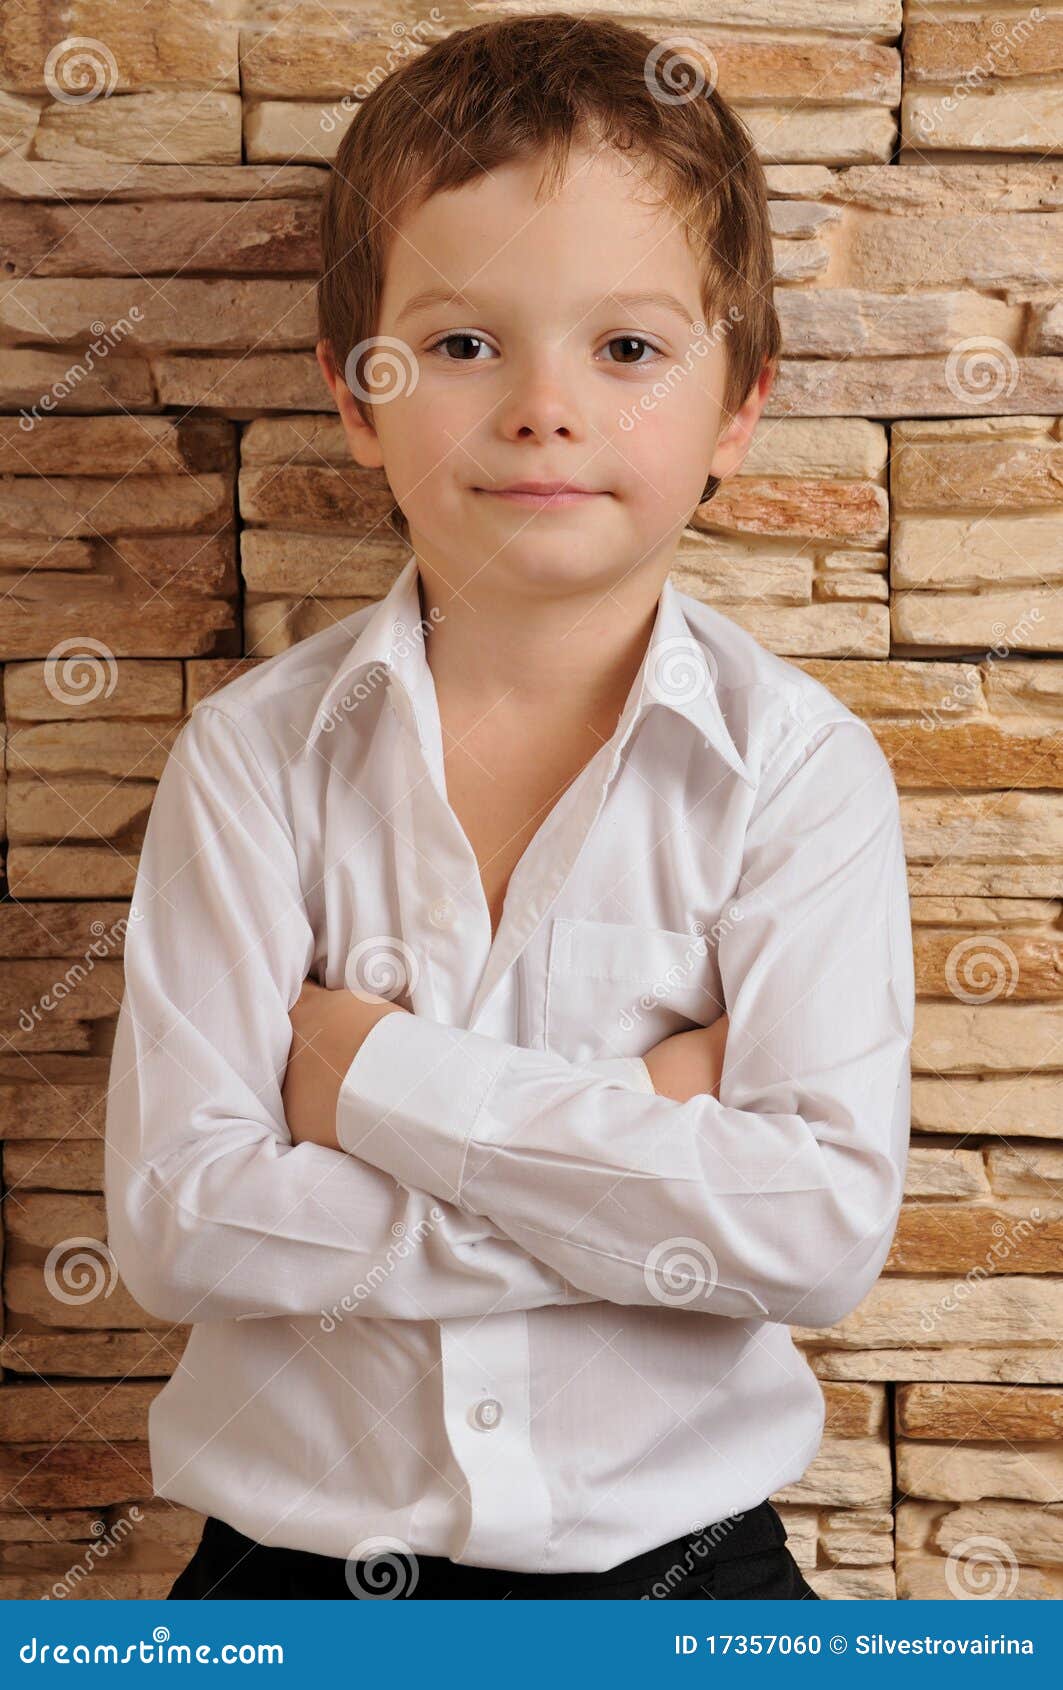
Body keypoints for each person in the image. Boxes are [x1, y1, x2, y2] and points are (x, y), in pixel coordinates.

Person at [105, 11, 914, 1603]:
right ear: (358, 394)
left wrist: (378, 1082)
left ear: (737, 401)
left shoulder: (805, 775)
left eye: (627, 348)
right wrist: (649, 1133)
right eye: (467, 344)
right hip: (295, 1574)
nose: (547, 408)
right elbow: (181, 1222)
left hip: (687, 1573)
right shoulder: (255, 760)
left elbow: (816, 1231)